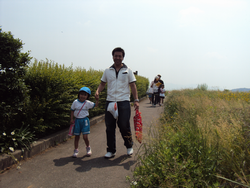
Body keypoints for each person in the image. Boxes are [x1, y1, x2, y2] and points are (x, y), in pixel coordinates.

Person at [95, 47, 139, 158]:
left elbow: (133, 85)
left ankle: (129, 146)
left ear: (123, 57)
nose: (117, 58)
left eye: (120, 56)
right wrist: (97, 91)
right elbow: (102, 83)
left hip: (123, 101)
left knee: (124, 125)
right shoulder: (107, 70)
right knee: (109, 127)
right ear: (113, 57)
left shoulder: (128, 70)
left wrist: (136, 100)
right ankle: (111, 150)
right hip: (110, 102)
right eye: (116, 56)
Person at [70, 87, 98, 158]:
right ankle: (76, 150)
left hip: (85, 121)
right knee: (77, 136)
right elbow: (72, 110)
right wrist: (71, 119)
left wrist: (97, 100)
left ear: (87, 96)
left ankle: (88, 148)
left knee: (85, 137)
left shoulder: (87, 103)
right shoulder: (75, 102)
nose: (83, 96)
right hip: (77, 121)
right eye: (81, 94)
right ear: (79, 94)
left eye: (85, 95)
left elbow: (95, 106)